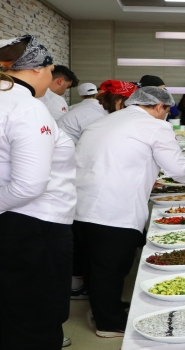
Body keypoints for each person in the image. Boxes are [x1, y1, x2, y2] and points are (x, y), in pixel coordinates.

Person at [74, 87, 185, 338]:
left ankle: (105, 309)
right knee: (111, 267)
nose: (166, 115)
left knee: (93, 264)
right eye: (167, 110)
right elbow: (178, 169)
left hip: (79, 203)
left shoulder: (104, 120)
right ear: (158, 106)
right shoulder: (155, 126)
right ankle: (108, 323)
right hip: (114, 207)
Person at [0, 34, 76, 350]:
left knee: (14, 310)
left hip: (17, 222)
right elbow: (30, 185)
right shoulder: (27, 107)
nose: (51, 77)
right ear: (35, 69)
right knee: (38, 315)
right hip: (35, 225)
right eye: (50, 69)